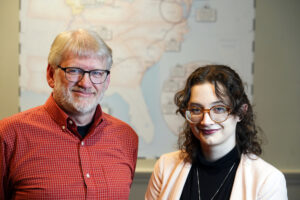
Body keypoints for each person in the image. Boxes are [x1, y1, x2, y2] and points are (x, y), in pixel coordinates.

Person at [0, 29, 138, 199]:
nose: (85, 83)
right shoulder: (9, 135)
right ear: (51, 75)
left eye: (96, 73)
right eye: (74, 71)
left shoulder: (126, 137)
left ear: (107, 81)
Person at [145, 65, 287, 200]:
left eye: (219, 109)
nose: (206, 121)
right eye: (196, 109)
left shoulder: (268, 180)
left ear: (240, 113)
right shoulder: (165, 166)